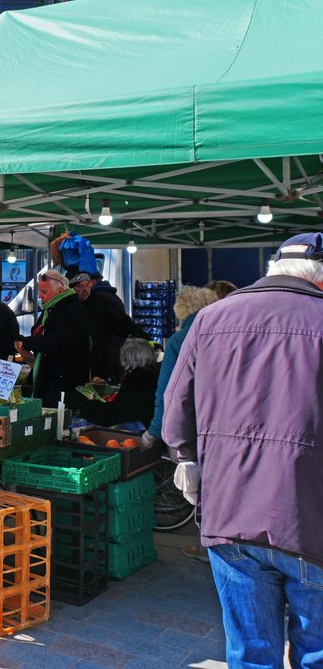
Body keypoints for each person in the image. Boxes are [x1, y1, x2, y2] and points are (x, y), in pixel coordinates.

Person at [164, 233, 323, 668]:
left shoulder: (212, 318)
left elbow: (176, 401)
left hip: (230, 513)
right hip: (309, 517)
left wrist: (185, 458)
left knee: (251, 654)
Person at [147, 285, 219, 447]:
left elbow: (168, 390)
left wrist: (155, 429)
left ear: (181, 309)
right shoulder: (225, 335)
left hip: (191, 426)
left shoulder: (178, 341)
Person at [16, 268, 91, 406]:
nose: (39, 296)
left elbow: (58, 343)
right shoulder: (50, 308)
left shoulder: (72, 310)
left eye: (44, 292)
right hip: (50, 380)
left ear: (60, 291)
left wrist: (28, 342)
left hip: (64, 385)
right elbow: (38, 330)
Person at [68, 271, 145, 381]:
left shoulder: (102, 303)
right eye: (80, 286)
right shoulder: (68, 306)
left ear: (92, 283)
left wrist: (142, 336)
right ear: (72, 288)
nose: (85, 290)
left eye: (87, 284)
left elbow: (123, 323)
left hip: (101, 363)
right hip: (76, 365)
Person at [72, 338, 158, 429]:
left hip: (142, 439)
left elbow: (113, 415)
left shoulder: (135, 385)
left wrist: (91, 405)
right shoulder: (156, 379)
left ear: (126, 361)